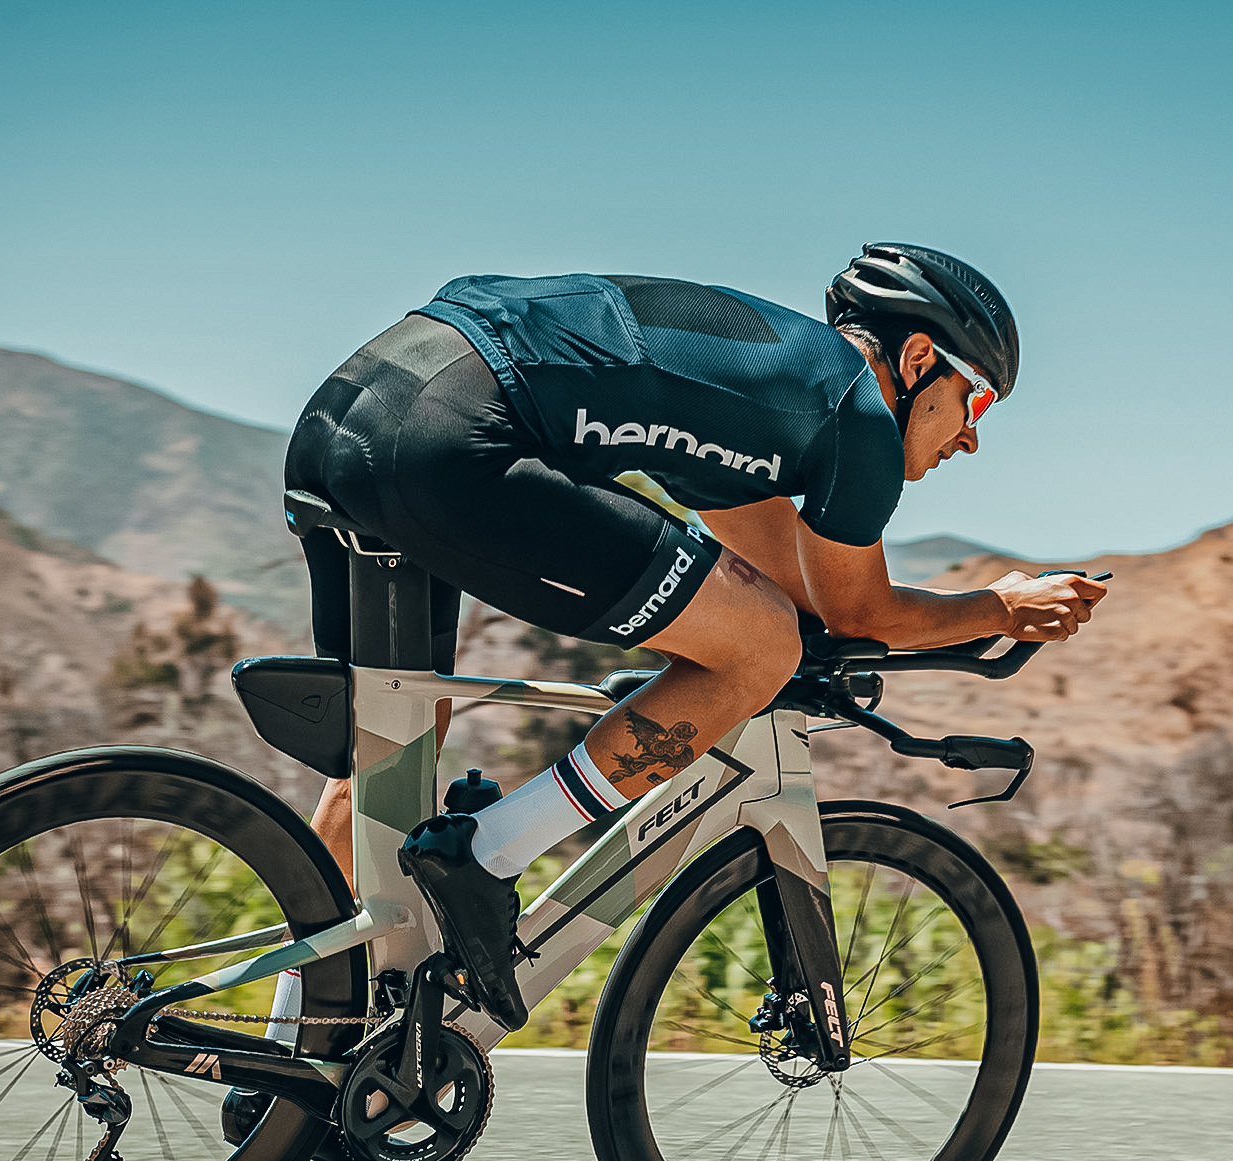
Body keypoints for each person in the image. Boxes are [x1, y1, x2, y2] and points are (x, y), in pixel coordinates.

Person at [282, 242, 1108, 1031]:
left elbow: (801, 585)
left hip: (354, 409)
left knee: (389, 750)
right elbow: (861, 613)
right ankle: (486, 854)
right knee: (758, 645)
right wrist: (1000, 608)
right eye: (979, 400)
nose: (970, 435)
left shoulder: (755, 400)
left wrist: (839, 625)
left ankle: (285, 1040)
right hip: (449, 436)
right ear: (921, 359)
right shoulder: (856, 410)